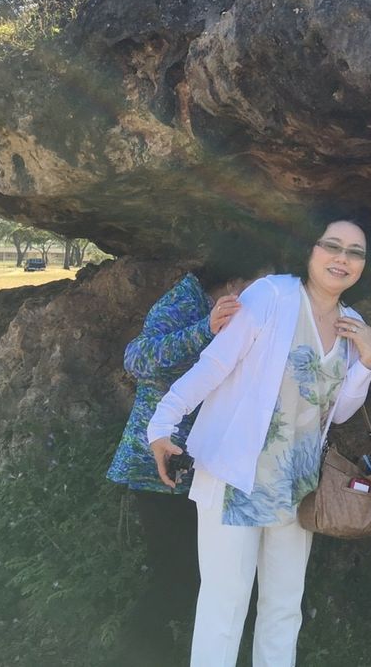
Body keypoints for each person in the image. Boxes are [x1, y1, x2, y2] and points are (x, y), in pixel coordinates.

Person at [146, 208, 371, 667]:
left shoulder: (352, 324)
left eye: (355, 252)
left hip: (297, 487)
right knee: (225, 605)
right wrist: (163, 423)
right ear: (309, 248)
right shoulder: (272, 295)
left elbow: (339, 411)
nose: (342, 258)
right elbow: (216, 363)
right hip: (237, 477)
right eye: (332, 246)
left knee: (283, 608)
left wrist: (368, 361)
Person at [105, 266, 254, 662]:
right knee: (175, 576)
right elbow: (138, 358)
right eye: (255, 285)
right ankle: (137, 654)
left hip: (207, 469)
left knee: (209, 576)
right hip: (157, 466)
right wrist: (205, 329)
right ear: (234, 281)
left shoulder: (246, 319)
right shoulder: (185, 300)